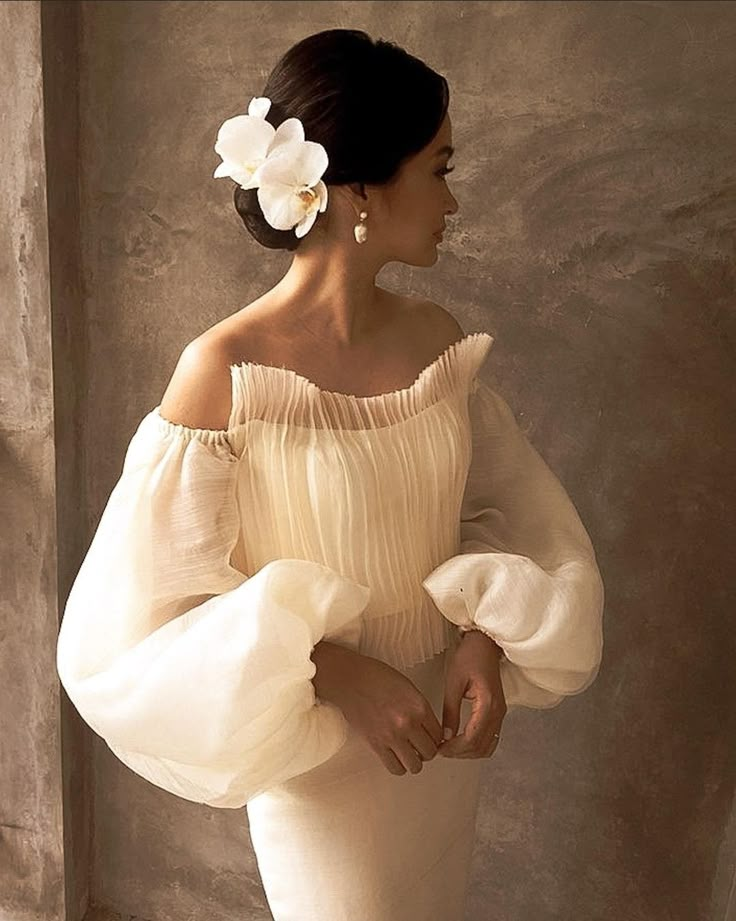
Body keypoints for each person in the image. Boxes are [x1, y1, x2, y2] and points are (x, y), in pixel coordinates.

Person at [55, 28, 604, 921]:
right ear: (355, 190)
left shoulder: (436, 341)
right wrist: (340, 673)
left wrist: (481, 639)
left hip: (438, 737)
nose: (452, 200)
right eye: (438, 168)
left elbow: (503, 512)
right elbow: (146, 622)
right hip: (326, 751)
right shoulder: (222, 371)